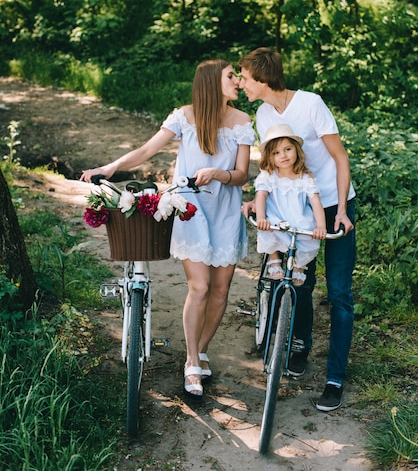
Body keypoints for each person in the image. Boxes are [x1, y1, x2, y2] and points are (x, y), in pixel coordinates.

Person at [81, 59, 255, 400]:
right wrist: (111, 167)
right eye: (231, 75)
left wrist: (218, 174)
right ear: (210, 82)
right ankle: (191, 361)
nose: (238, 80)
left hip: (225, 212)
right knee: (201, 287)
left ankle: (201, 350)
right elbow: (147, 150)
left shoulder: (242, 122)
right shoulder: (183, 117)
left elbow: (241, 175)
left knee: (221, 291)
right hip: (190, 210)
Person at [239, 47, 355, 412]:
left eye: (244, 78)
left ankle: (335, 377)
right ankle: (300, 344)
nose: (241, 84)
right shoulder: (261, 113)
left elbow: (339, 157)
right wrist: (256, 202)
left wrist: (341, 210)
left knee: (339, 293)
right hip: (294, 204)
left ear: (261, 78)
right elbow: (270, 167)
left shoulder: (310, 104)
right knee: (299, 280)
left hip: (333, 203)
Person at [255, 123, 327, 286]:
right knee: (268, 228)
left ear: (296, 150)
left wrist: (321, 226)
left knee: (308, 236)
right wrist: (260, 218)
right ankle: (274, 260)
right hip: (277, 218)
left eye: (288, 149)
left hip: (299, 219)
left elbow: (315, 202)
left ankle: (299, 265)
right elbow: (261, 195)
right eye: (276, 152)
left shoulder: (305, 178)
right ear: (270, 157)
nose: (283, 155)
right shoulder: (269, 176)